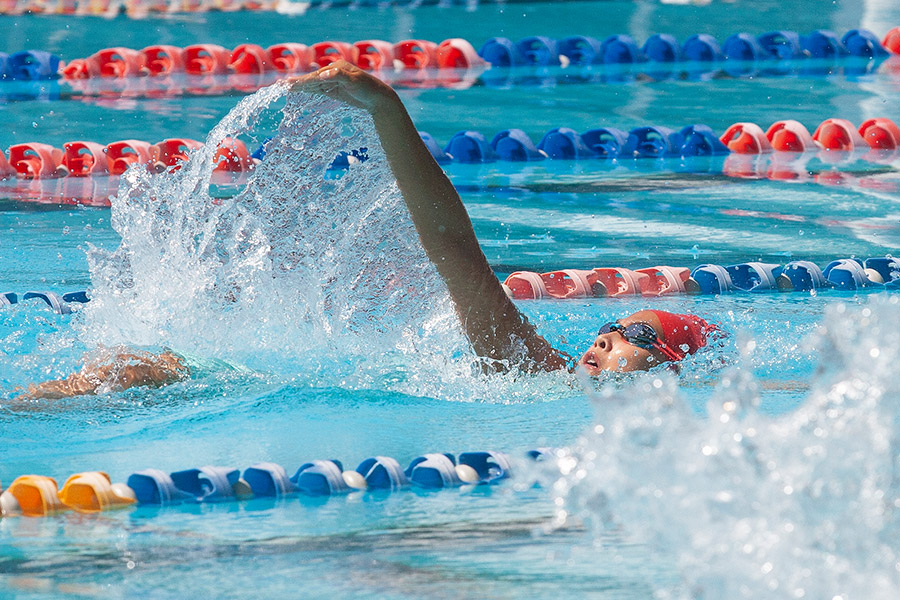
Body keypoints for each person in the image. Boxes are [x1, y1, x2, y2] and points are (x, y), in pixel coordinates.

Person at [14, 61, 715, 401]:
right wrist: (385, 108)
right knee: (130, 378)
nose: (607, 335)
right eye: (618, 323)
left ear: (669, 367)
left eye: (638, 335)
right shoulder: (532, 370)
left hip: (272, 384)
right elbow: (455, 253)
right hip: (250, 380)